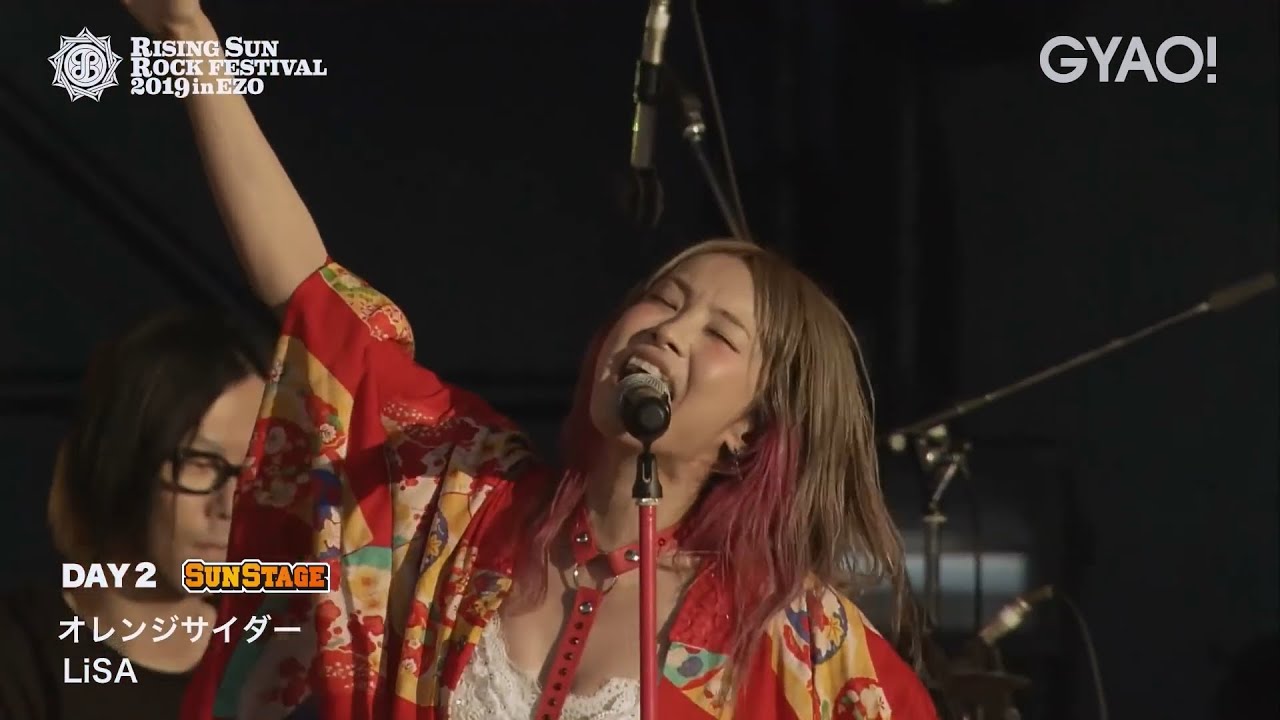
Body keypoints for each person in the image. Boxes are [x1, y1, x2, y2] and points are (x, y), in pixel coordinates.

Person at [121, 2, 939, 718]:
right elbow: (311, 293)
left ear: (750, 429)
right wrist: (189, 35)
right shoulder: (464, 503)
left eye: (720, 335)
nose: (669, 331)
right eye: (663, 299)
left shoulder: (796, 640)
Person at [0, 308, 269, 720]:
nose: (231, 504)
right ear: (126, 462)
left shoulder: (278, 666)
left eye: (254, 470)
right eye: (199, 463)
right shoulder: (21, 657)